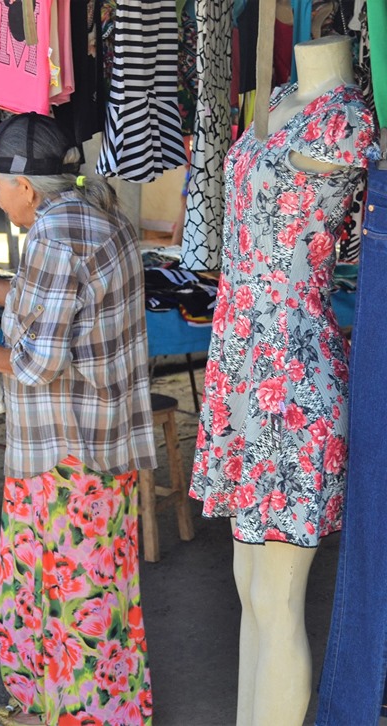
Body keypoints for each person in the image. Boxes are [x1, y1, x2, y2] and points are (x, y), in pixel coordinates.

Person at [0, 112, 156, 726]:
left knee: (70, 594)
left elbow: (39, 360)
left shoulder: (53, 233)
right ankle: (54, 706)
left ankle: (75, 715)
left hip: (67, 449)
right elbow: (47, 295)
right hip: (101, 442)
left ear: (25, 186)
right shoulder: (96, 215)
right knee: (91, 585)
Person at [189, 35, 375, 726]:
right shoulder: (275, 102)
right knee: (247, 586)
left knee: (278, 595)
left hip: (293, 375)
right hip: (241, 363)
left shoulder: (347, 119)